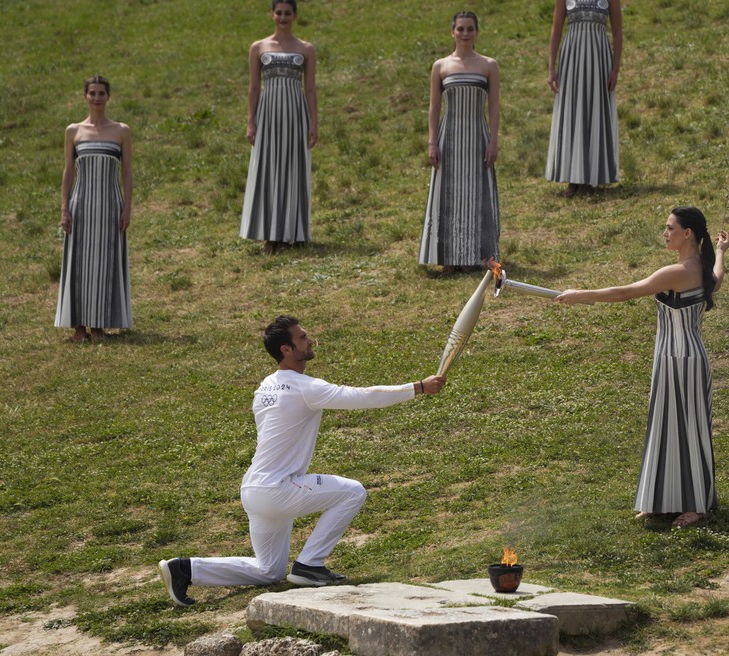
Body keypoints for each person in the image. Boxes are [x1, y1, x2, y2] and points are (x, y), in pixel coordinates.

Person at [159, 315, 446, 606]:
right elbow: (360, 397)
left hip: (254, 490)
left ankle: (185, 568)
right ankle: (310, 564)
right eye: (302, 338)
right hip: (278, 489)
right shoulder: (304, 387)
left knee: (268, 570)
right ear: (286, 349)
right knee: (352, 492)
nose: (310, 341)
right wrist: (418, 387)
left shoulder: (264, 388)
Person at [555, 207, 729, 528]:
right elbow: (718, 277)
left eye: (669, 228)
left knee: (688, 430)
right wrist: (720, 251)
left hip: (680, 360)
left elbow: (625, 292)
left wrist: (581, 295)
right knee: (666, 427)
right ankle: (662, 500)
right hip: (678, 358)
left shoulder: (674, 272)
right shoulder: (703, 270)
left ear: (687, 234)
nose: (665, 233)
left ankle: (696, 506)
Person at [419, 11, 501, 274]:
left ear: (477, 32)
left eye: (470, 29)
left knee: (476, 197)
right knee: (449, 197)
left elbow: (495, 106)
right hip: (450, 138)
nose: (465, 34)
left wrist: (493, 141)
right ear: (452, 32)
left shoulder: (489, 65)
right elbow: (433, 107)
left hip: (478, 137)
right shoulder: (440, 66)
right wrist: (432, 142)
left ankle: (474, 257)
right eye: (460, 29)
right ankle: (448, 258)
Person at [55, 75, 133, 343]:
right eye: (92, 93)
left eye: (101, 93)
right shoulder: (73, 131)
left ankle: (98, 325)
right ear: (85, 96)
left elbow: (127, 172)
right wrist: (65, 208)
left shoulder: (121, 130)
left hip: (110, 204)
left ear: (108, 97)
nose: (97, 98)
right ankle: (78, 327)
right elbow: (68, 172)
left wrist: (127, 208)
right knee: (78, 262)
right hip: (82, 205)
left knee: (104, 262)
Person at [240, 0, 318, 254]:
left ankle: (288, 234)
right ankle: (268, 235)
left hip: (295, 114)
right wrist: (250, 121)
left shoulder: (306, 49)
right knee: (268, 168)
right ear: (272, 15)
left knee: (292, 169)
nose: (283, 17)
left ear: (295, 16)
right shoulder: (258, 47)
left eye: (288, 13)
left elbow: (309, 89)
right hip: (268, 115)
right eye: (279, 13)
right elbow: (254, 87)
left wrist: (313, 122)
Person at [545, 0, 622, 198]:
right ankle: (573, 179)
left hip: (599, 59)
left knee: (594, 112)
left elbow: (617, 33)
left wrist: (615, 68)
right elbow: (555, 31)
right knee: (571, 113)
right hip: (572, 57)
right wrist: (551, 68)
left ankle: (590, 178)